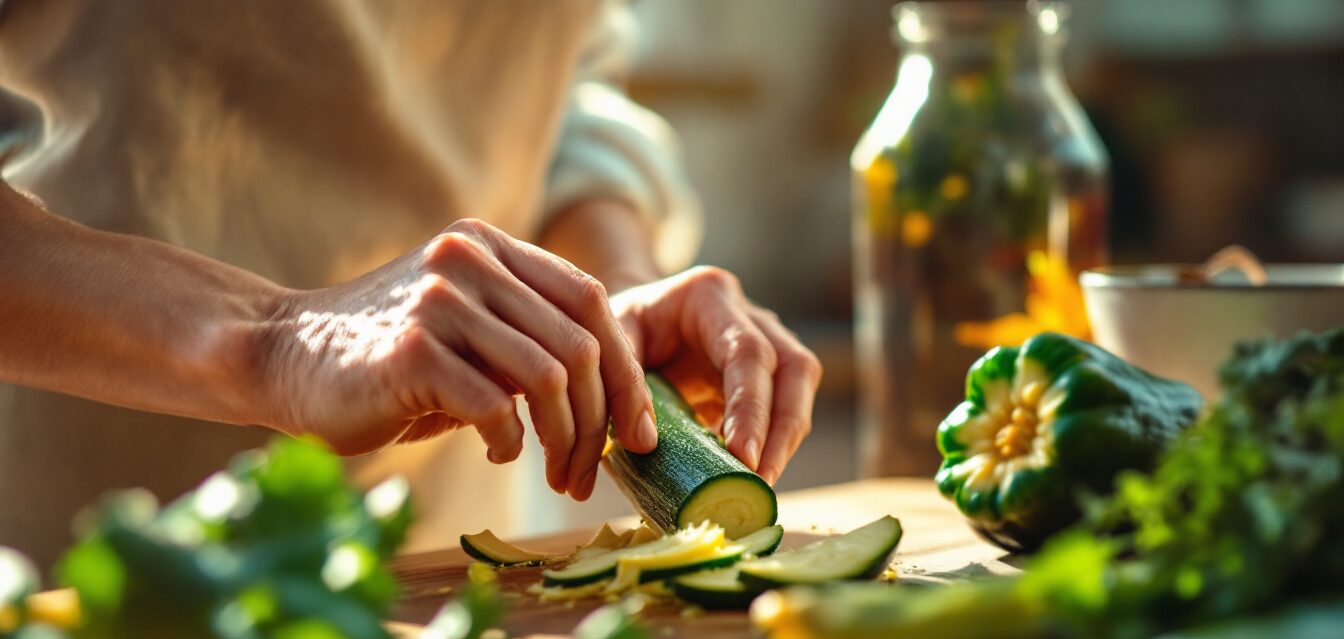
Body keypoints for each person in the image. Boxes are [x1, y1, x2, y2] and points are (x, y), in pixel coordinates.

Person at [0, 0, 821, 568]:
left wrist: (610, 294)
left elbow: (559, 92)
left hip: (441, 564)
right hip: (77, 564)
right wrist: (278, 342)